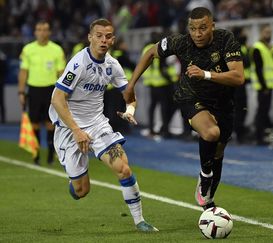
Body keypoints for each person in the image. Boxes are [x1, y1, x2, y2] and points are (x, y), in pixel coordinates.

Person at [124, 7, 245, 210]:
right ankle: (205, 175)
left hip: (224, 103)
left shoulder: (226, 39)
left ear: (212, 27)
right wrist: (131, 84)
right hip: (191, 97)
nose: (197, 34)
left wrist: (205, 74)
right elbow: (150, 53)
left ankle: (208, 200)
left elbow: (238, 77)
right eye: (193, 28)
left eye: (203, 28)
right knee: (211, 132)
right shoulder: (180, 42)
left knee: (218, 152)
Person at [49, 18, 158, 232]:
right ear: (90, 37)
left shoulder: (112, 65)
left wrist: (130, 111)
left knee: (123, 169)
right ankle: (75, 183)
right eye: (98, 35)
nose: (103, 40)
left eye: (108, 36)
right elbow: (57, 99)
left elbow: (129, 95)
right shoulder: (78, 63)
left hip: (98, 125)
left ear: (113, 40)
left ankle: (140, 221)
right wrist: (77, 131)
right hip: (69, 128)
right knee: (82, 191)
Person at [18, 20, 66, 165]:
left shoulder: (57, 49)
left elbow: (61, 72)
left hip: (51, 90)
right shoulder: (28, 49)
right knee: (34, 124)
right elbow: (23, 72)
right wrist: (21, 92)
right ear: (35, 32)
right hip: (34, 90)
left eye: (45, 30)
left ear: (49, 32)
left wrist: (63, 92)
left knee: (51, 123)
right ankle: (36, 154)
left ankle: (51, 154)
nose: (42, 32)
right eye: (39, 29)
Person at [251, 24, 273, 145]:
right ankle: (258, 137)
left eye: (270, 33)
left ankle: (263, 135)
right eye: (266, 32)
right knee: (262, 111)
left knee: (265, 111)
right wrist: (264, 86)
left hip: (268, 85)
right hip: (263, 86)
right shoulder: (258, 48)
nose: (268, 35)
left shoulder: (268, 47)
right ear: (261, 33)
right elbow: (259, 69)